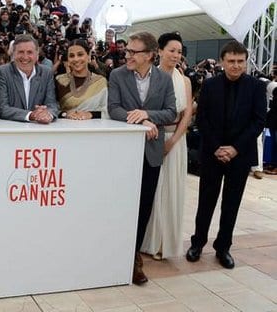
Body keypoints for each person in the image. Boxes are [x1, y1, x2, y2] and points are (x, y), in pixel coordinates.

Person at [186, 41, 266, 269]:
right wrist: (217, 147)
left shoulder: (256, 87)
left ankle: (223, 247)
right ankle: (197, 243)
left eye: (240, 61)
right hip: (213, 154)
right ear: (222, 62)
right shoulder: (210, 86)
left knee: (232, 203)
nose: (236, 66)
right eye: (231, 61)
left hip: (240, 155)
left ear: (246, 62)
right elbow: (202, 119)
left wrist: (234, 148)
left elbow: (258, 122)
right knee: (206, 201)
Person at [108, 31, 176, 285]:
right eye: (127, 51)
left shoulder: (164, 80)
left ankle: (133, 257)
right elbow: (113, 109)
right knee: (120, 205)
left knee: (143, 207)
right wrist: (141, 121)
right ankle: (113, 253)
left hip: (151, 155)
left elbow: (170, 111)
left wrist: (147, 114)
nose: (127, 56)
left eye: (133, 52)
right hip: (123, 154)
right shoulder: (116, 75)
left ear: (149, 55)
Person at [141, 32, 193, 260]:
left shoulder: (185, 80)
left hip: (176, 140)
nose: (175, 55)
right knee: (151, 191)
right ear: (159, 51)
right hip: (151, 138)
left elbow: (187, 113)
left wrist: (172, 141)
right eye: (171, 50)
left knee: (171, 190)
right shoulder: (149, 77)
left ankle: (165, 244)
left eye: (179, 51)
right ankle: (146, 241)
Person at [0, 34, 59, 123]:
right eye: (20, 52)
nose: (25, 57)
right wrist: (31, 115)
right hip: (11, 130)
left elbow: (52, 104)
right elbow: (2, 108)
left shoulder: (46, 73)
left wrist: (48, 114)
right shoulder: (2, 72)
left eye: (29, 52)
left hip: (39, 130)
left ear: (37, 55)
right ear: (13, 54)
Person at [55, 39, 108, 120]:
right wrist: (65, 114)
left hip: (94, 129)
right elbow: (51, 109)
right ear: (68, 60)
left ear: (88, 55)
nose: (76, 59)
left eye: (80, 54)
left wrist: (90, 114)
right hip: (66, 128)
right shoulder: (59, 80)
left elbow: (108, 111)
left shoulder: (100, 81)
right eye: (72, 56)